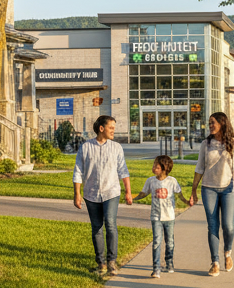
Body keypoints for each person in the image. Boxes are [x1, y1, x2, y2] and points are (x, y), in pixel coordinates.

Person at [190, 112, 234, 276]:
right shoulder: (206, 144)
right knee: (213, 226)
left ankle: (228, 253)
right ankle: (215, 262)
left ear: (222, 123)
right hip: (208, 188)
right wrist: (194, 190)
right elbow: (199, 168)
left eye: (213, 123)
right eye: (209, 123)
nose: (210, 126)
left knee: (228, 226)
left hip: (229, 189)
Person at [72, 115, 132, 276]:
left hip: (111, 192)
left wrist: (128, 191)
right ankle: (101, 263)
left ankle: (112, 262)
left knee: (110, 224)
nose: (113, 131)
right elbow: (78, 171)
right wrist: (76, 194)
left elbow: (122, 170)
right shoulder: (85, 147)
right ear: (101, 128)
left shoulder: (116, 147)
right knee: (97, 228)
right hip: (91, 194)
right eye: (111, 128)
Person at [135, 155, 186, 279]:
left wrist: (187, 201)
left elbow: (179, 194)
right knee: (156, 241)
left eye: (156, 167)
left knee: (170, 242)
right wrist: (134, 198)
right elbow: (144, 193)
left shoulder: (172, 181)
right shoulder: (151, 181)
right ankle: (156, 268)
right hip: (156, 217)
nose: (153, 168)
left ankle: (169, 262)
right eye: (153, 166)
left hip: (169, 217)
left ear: (164, 169)